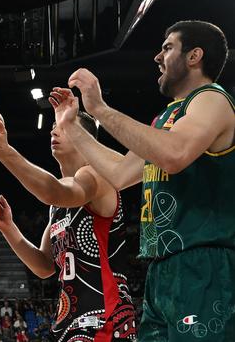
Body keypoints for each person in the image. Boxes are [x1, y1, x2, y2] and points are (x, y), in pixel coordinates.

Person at [54, 20, 233, 340]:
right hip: (162, 268)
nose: (157, 56)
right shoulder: (166, 119)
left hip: (203, 262)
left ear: (194, 56)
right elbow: (120, 173)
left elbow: (175, 155)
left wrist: (98, 109)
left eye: (167, 47)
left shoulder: (211, 100)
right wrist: (73, 128)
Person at [0, 105, 136, 340]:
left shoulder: (95, 175)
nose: (53, 132)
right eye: (53, 128)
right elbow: (44, 266)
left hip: (105, 317)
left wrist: (7, 153)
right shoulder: (58, 204)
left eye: (63, 128)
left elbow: (53, 190)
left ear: (82, 138)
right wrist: (9, 228)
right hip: (69, 321)